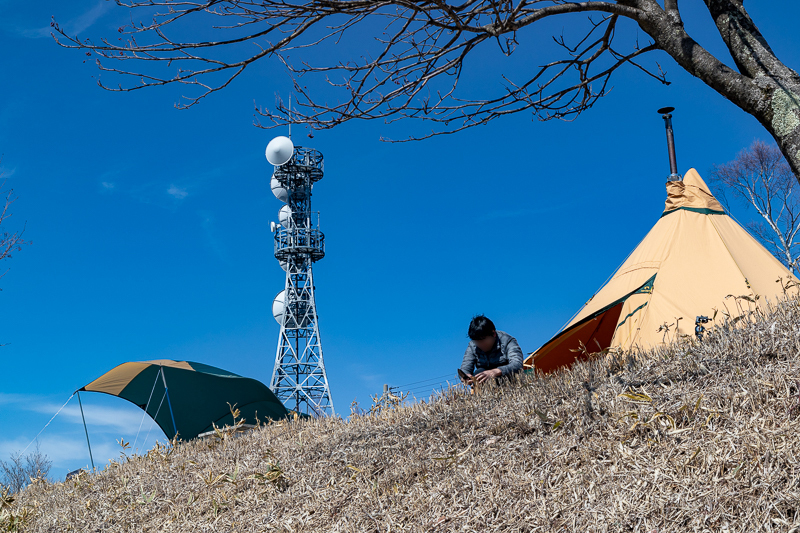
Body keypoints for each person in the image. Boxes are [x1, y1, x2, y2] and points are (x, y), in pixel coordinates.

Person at [459, 315, 523, 385]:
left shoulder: (507, 341)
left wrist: (494, 372)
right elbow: (464, 369)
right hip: (486, 387)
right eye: (477, 342)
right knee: (479, 373)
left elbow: (517, 364)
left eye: (483, 340)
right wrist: (466, 377)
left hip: (509, 382)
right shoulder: (472, 346)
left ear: (493, 334)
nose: (480, 345)